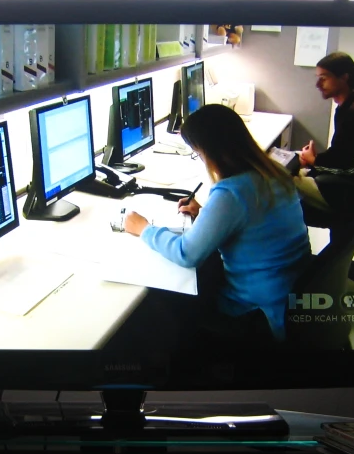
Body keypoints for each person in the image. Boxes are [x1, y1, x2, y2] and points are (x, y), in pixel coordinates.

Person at [120, 103, 312, 345]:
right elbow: (253, 221)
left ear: (211, 151)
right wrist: (206, 214)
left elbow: (185, 253)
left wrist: (144, 228)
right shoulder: (274, 172)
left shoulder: (231, 194)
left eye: (199, 154)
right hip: (287, 292)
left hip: (257, 310)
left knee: (156, 300)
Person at [295, 52, 354, 227]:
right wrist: (316, 160)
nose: (318, 84)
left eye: (324, 78)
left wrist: (315, 162)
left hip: (348, 192)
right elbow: (342, 152)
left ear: (344, 77)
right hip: (342, 183)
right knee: (288, 168)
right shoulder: (348, 106)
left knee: (280, 181)